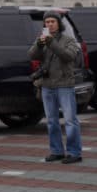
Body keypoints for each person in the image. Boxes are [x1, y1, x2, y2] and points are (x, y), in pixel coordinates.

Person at [29, 10, 82, 163]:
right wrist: (39, 45)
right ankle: (56, 151)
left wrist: (51, 42)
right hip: (47, 85)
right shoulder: (42, 39)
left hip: (65, 84)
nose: (50, 24)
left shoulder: (68, 40)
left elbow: (68, 56)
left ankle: (74, 152)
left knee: (70, 120)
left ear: (59, 24)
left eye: (53, 21)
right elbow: (31, 55)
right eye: (47, 22)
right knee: (52, 121)